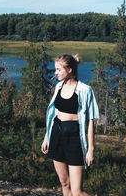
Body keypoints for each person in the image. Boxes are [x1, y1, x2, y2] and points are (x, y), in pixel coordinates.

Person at [41, 54, 99, 196]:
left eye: (58, 70)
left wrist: (90, 149)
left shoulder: (85, 90)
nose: (55, 73)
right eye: (55, 69)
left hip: (74, 138)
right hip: (56, 134)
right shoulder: (59, 86)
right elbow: (52, 114)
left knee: (77, 191)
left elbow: (91, 121)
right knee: (64, 183)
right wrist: (46, 137)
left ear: (69, 70)